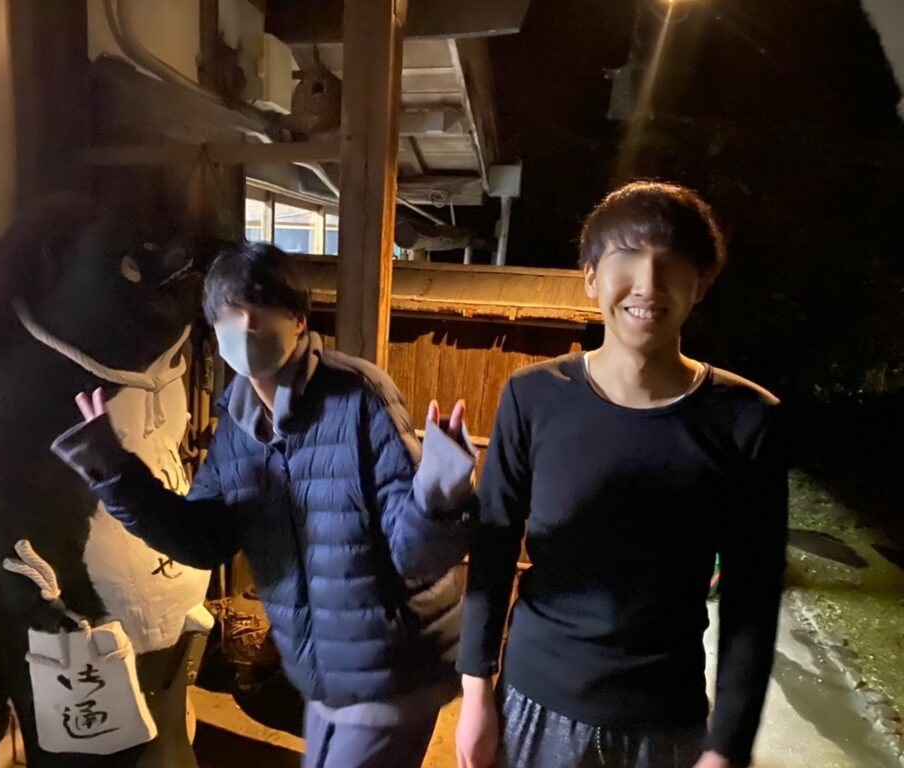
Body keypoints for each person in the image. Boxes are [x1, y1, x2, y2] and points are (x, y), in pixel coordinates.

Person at [52, 241, 477, 768]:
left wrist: (440, 491)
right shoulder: (236, 429)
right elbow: (203, 540)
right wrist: (115, 471)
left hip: (395, 666)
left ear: (299, 320)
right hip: (321, 674)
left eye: (263, 307)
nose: (248, 325)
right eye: (231, 312)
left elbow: (415, 555)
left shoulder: (358, 396)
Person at [455, 181, 788, 768]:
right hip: (534, 702)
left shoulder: (746, 420)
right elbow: (494, 545)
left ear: (701, 282)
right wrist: (476, 692)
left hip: (664, 721)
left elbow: (752, 600)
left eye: (670, 262)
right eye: (626, 256)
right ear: (590, 277)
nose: (647, 283)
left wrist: (727, 747)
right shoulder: (533, 397)